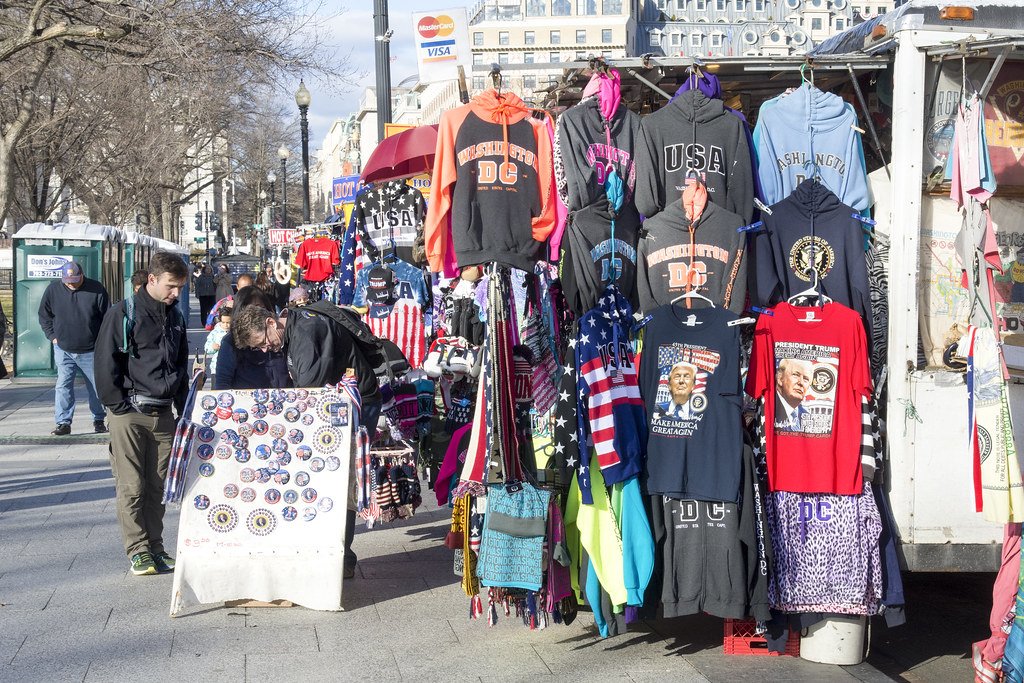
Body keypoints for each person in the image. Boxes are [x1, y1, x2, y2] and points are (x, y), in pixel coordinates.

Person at [231, 302, 393, 579]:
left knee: (341, 479)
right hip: (338, 402)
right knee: (331, 476)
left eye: (263, 342)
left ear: (271, 322)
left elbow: (308, 391)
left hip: (353, 404)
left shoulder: (306, 331)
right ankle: (333, 551)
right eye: (258, 348)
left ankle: (341, 556)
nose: (265, 349)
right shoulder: (293, 327)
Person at [95, 252, 190, 576]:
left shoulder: (175, 317)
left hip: (164, 415)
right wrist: (117, 405)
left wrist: (184, 406)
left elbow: (180, 364)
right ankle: (138, 551)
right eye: (171, 286)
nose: (176, 293)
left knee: (157, 488)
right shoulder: (123, 313)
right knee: (132, 486)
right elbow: (105, 362)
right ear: (152, 279)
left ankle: (156, 548)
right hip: (129, 414)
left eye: (180, 287)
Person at [38, 261, 110, 436]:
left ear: (82, 275)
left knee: (95, 386)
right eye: (66, 280)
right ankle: (63, 422)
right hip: (63, 348)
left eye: (73, 279)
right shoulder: (53, 290)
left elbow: (107, 318)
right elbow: (44, 315)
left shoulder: (96, 289)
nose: (70, 283)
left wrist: (102, 343)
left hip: (91, 348)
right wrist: (52, 337)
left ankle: (98, 419)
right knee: (63, 385)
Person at [214, 286, 289, 390]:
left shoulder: (280, 333)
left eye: (259, 308)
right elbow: (222, 381)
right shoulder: (230, 341)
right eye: (248, 309)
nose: (254, 314)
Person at [775, 358, 812, 432]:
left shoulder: (807, 416)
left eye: (806, 379)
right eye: (795, 375)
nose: (801, 382)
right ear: (780, 378)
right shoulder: (770, 410)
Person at [204, 306, 232, 381]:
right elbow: (206, 348)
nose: (226, 325)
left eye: (228, 323)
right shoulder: (215, 333)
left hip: (233, 367)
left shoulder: (235, 333)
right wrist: (212, 347)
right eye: (223, 322)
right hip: (216, 367)